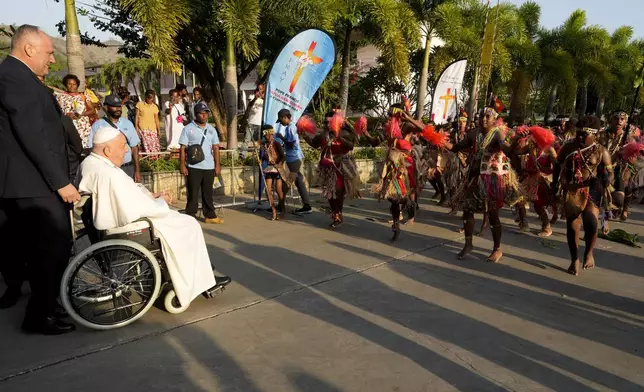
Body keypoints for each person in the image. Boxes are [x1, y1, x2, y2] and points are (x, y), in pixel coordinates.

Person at [77, 127, 231, 310]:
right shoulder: (108, 172)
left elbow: (128, 195)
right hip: (131, 224)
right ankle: (197, 280)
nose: (126, 150)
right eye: (123, 146)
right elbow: (132, 206)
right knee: (189, 224)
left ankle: (202, 274)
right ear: (108, 150)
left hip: (121, 220)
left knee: (183, 224)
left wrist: (151, 196)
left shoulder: (91, 163)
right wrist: (160, 202)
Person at [0, 24, 80, 334]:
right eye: (48, 52)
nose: (52, 59)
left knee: (36, 251)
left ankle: (46, 305)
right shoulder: (16, 79)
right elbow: (33, 135)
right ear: (29, 49)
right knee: (54, 249)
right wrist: (61, 181)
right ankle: (39, 316)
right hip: (33, 184)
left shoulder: (16, 77)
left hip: (25, 182)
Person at [420, 104, 524, 263]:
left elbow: (508, 150)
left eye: (487, 116)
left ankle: (497, 249)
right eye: (481, 115)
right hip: (475, 177)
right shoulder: (473, 134)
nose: (483, 119)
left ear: (494, 120)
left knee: (493, 214)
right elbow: (455, 148)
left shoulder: (497, 134)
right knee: (467, 211)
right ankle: (468, 244)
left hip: (492, 179)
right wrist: (436, 138)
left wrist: (517, 138)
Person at [551, 116, 613, 276]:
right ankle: (574, 259)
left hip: (593, 189)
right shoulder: (568, 147)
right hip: (572, 189)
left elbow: (610, 173)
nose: (579, 137)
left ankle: (589, 253)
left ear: (594, 135)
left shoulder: (601, 151)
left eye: (584, 134)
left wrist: (606, 179)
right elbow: (557, 165)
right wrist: (554, 184)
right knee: (573, 226)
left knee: (591, 223)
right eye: (578, 133)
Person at [302, 112, 361, 228]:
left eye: (328, 122)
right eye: (325, 122)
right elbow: (314, 144)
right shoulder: (324, 134)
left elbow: (350, 146)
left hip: (341, 167)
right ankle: (336, 212)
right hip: (327, 168)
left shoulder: (344, 132)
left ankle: (338, 214)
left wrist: (339, 138)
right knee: (329, 193)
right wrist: (304, 135)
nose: (326, 124)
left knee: (338, 191)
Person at [179, 102, 224, 224]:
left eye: (206, 113)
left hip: (209, 166)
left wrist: (217, 165)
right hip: (193, 166)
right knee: (193, 192)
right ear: (196, 114)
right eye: (202, 113)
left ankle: (209, 215)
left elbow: (215, 148)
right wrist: (182, 165)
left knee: (208, 192)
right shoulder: (188, 129)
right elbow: (183, 148)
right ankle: (190, 215)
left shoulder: (211, 129)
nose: (205, 116)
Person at [88, 94, 142, 182]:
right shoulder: (98, 125)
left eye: (119, 106)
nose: (118, 109)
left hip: (127, 169)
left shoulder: (128, 124)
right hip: (107, 171)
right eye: (114, 106)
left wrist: (137, 171)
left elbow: (134, 148)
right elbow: (91, 149)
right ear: (106, 107)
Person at [598, 110, 638, 221]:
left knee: (627, 186)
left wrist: (625, 154)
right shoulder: (601, 135)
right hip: (601, 167)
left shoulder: (629, 139)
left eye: (622, 119)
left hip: (620, 169)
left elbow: (633, 161)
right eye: (616, 119)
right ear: (611, 120)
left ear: (625, 122)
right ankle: (603, 220)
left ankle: (624, 208)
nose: (619, 121)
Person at [275, 109, 313, 214]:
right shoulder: (289, 127)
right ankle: (307, 205)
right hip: (294, 158)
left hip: (295, 158)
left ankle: (280, 205)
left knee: (287, 184)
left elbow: (291, 144)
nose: (281, 123)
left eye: (281, 120)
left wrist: (281, 138)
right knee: (299, 181)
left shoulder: (291, 128)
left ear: (285, 118)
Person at [55, 73, 97, 147]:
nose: (72, 86)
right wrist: (65, 116)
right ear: (65, 84)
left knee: (85, 149)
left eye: (74, 84)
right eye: (69, 84)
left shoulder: (83, 96)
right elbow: (56, 111)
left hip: (84, 129)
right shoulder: (60, 97)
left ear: (77, 85)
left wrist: (81, 114)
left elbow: (92, 110)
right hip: (67, 128)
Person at [260, 124, 289, 220]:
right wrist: (261, 160)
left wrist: (279, 164)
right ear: (264, 135)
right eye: (266, 135)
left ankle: (283, 210)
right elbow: (265, 157)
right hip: (269, 168)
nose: (269, 137)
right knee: (268, 191)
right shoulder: (264, 145)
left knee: (278, 190)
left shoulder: (276, 143)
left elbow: (283, 156)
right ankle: (273, 210)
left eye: (270, 135)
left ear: (272, 134)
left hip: (277, 169)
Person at [136, 89, 161, 155]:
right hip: (143, 130)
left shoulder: (154, 107)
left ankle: (154, 159)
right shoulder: (139, 104)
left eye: (152, 99)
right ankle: (145, 160)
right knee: (145, 146)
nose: (150, 100)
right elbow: (136, 117)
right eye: (149, 98)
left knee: (154, 146)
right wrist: (136, 127)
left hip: (152, 130)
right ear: (146, 97)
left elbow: (156, 120)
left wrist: (158, 131)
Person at [243, 84, 265, 157]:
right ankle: (243, 155)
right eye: (258, 89)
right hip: (251, 122)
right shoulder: (252, 96)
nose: (259, 90)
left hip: (260, 123)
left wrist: (262, 97)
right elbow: (250, 104)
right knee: (247, 139)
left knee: (260, 141)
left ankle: (259, 155)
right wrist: (256, 97)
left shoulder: (264, 99)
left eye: (261, 89)